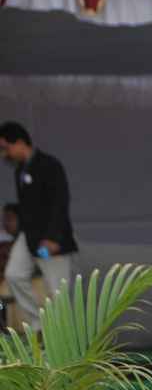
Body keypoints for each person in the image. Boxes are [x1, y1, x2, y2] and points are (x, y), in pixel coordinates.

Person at [0, 121, 78, 331]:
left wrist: (52, 237)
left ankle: (63, 339)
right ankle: (38, 324)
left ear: (19, 142)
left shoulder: (49, 165)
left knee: (58, 291)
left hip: (52, 238)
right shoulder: (20, 171)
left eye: (6, 148)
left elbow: (60, 203)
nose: (4, 154)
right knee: (14, 274)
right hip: (29, 236)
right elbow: (28, 207)